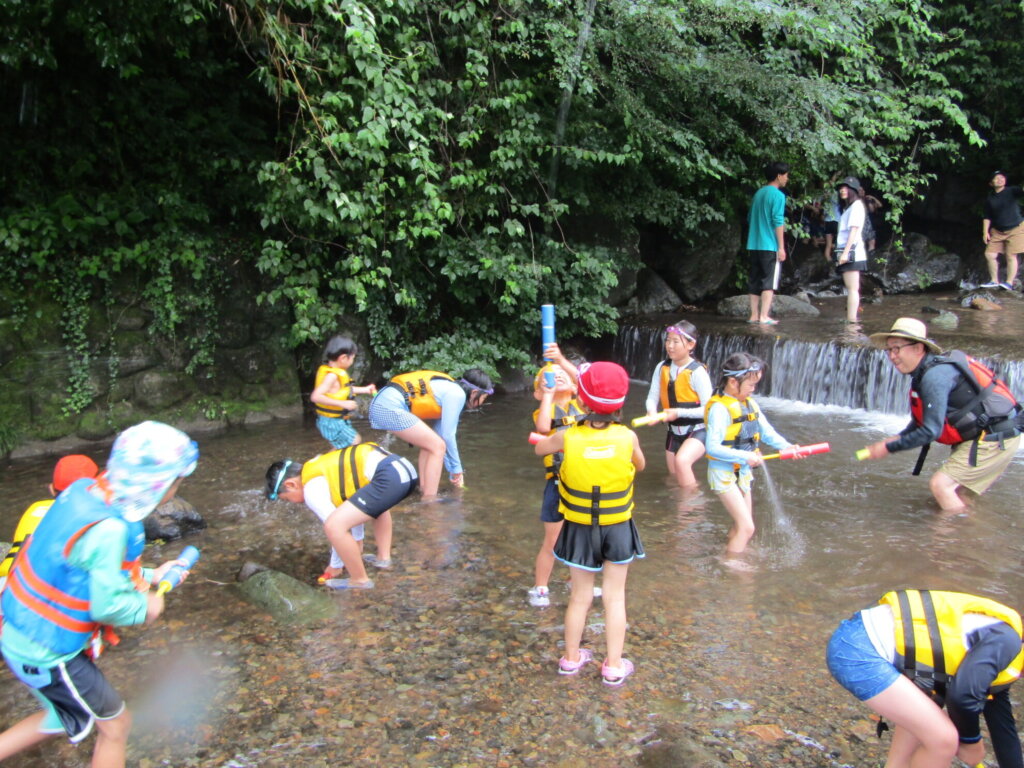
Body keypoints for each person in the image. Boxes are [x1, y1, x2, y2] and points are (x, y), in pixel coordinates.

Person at [0, 421, 199, 768]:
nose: (176, 490)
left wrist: (152, 575)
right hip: (47, 651)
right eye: (176, 482)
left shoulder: (82, 493)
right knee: (116, 727)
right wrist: (146, 606)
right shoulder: (109, 529)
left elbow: (81, 567)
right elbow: (107, 605)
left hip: (17, 632)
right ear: (156, 485)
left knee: (58, 717)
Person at [534, 362, 645, 686]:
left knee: (580, 596)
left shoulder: (567, 436)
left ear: (581, 401)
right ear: (621, 403)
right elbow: (640, 465)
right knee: (615, 597)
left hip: (579, 527)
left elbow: (540, 447)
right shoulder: (628, 437)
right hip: (618, 527)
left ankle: (571, 659)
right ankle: (614, 666)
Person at [827, 589, 1024, 768]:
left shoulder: (1007, 655)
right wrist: (971, 741)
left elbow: (1003, 728)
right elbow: (962, 697)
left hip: (855, 638)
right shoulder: (1007, 640)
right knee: (943, 740)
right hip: (858, 650)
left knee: (929, 708)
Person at [861, 317, 1022, 512]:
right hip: (986, 433)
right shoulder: (924, 374)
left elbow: (931, 431)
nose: (892, 356)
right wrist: (897, 438)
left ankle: (952, 531)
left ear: (918, 348)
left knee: (941, 486)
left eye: (897, 348)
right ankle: (971, 528)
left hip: (995, 436)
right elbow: (921, 422)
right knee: (959, 495)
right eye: (889, 350)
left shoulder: (934, 377)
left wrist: (890, 447)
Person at [265, 441, 418, 589]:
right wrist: (357, 541)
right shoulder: (319, 467)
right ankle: (383, 559)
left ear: (291, 484)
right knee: (378, 505)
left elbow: (336, 527)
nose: (292, 503)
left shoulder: (311, 488)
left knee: (334, 526)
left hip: (390, 476)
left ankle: (359, 580)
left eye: (287, 499)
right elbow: (354, 506)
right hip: (404, 469)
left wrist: (335, 566)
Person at [704, 352, 796, 555]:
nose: (754, 389)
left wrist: (787, 446)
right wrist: (746, 456)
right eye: (751, 385)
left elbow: (767, 432)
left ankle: (728, 551)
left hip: (743, 471)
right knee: (747, 528)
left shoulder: (749, 403)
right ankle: (731, 563)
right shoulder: (720, 409)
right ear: (732, 382)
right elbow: (712, 447)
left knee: (741, 525)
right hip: (723, 473)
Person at [368, 368, 493, 498]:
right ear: (474, 393)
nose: (482, 402)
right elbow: (448, 436)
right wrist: (457, 470)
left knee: (431, 445)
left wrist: (452, 470)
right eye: (484, 397)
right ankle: (430, 501)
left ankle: (424, 490)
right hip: (387, 408)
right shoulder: (457, 395)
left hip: (381, 404)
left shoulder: (451, 390)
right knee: (437, 446)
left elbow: (442, 437)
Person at [527, 351, 583, 608]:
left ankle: (576, 581)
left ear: (574, 386)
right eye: (548, 377)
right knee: (552, 539)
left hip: (581, 480)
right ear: (538, 392)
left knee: (581, 536)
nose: (557, 377)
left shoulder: (582, 407)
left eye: (562, 376)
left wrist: (561, 361)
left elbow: (584, 380)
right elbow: (542, 427)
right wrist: (548, 394)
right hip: (558, 482)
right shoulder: (544, 410)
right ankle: (541, 587)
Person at [0, 454, 99, 591]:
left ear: (51, 489)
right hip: (44, 594)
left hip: (6, 582)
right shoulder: (95, 517)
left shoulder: (36, 508)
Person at [643, 321, 712, 490]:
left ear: (690, 345)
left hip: (698, 429)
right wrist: (651, 411)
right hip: (673, 431)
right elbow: (652, 397)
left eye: (675, 341)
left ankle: (692, 504)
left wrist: (678, 412)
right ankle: (682, 504)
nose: (670, 346)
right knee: (674, 478)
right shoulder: (661, 367)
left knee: (682, 461)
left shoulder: (697, 372)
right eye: (668, 340)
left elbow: (709, 409)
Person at [310, 335, 377, 449]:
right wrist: (342, 403)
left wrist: (365, 389)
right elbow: (315, 397)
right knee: (354, 441)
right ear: (343, 358)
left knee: (340, 447)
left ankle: (325, 461)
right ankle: (329, 461)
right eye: (352, 358)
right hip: (331, 422)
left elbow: (345, 390)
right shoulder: (332, 376)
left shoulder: (337, 373)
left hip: (336, 419)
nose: (352, 361)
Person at [746, 161, 789, 325]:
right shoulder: (778, 196)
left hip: (753, 244)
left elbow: (749, 217)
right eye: (786, 175)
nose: (787, 179)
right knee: (768, 281)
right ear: (779, 176)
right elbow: (778, 221)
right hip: (769, 245)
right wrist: (781, 247)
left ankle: (753, 315)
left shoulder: (758, 193)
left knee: (754, 279)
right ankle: (764, 316)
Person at [832, 176, 868, 324]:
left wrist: (845, 253)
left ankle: (852, 321)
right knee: (852, 288)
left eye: (846, 188)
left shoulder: (856, 206)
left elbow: (853, 231)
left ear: (853, 190)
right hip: (849, 252)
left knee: (852, 288)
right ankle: (852, 319)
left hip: (852, 253)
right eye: (841, 188)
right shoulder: (850, 207)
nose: (842, 190)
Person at [982, 170, 1024, 290]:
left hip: (1016, 228)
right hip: (998, 231)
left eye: (1002, 177)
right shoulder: (990, 199)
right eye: (997, 178)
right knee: (989, 254)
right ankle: (994, 281)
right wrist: (985, 232)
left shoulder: (1012, 191)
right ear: (991, 183)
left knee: (1011, 255)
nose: (1000, 179)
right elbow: (987, 217)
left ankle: (1009, 283)